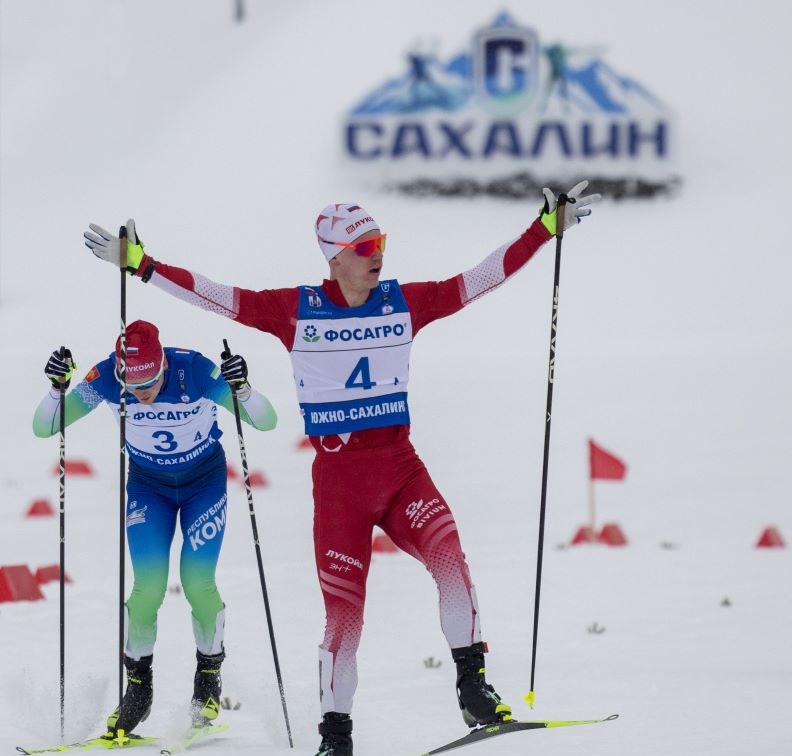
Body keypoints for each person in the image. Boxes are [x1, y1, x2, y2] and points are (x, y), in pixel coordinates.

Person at [83, 182, 600, 756]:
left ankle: (474, 690)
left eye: (381, 240)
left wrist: (546, 229)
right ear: (334, 256)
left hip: (402, 471)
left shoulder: (402, 302)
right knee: (343, 615)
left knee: (452, 563)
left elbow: (476, 281)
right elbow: (219, 297)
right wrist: (143, 265)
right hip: (339, 486)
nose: (378, 252)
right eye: (365, 245)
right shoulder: (295, 310)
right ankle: (336, 735)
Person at [33, 321, 278, 739]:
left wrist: (243, 387)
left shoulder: (194, 371)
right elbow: (45, 426)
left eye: (151, 380)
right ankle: (139, 689)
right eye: (134, 384)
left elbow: (265, 421)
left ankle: (207, 678)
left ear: (163, 363)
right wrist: (57, 387)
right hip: (149, 489)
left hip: (204, 483)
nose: (143, 391)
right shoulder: (108, 376)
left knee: (197, 582)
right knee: (147, 587)